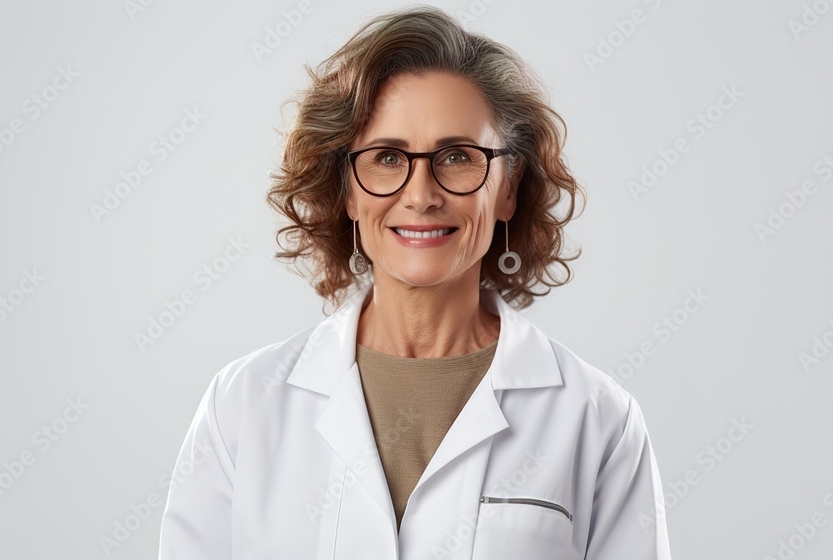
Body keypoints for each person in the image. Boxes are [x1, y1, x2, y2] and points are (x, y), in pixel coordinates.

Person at [157, 6, 671, 559]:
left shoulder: (597, 419)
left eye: (456, 156)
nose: (421, 194)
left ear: (508, 188)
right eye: (386, 157)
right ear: (348, 191)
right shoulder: (242, 406)